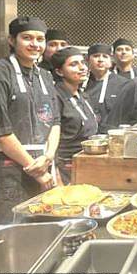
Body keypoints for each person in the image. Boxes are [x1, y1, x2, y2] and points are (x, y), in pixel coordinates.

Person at [0, 17, 60, 234]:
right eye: (27, 38)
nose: (35, 44)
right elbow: (0, 131)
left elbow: (55, 122)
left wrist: (48, 158)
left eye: (40, 39)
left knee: (36, 236)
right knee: (3, 238)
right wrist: (36, 169)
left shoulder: (45, 76)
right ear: (12, 40)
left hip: (43, 168)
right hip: (7, 172)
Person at [51, 47, 97, 185]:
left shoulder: (83, 95)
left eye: (82, 62)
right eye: (73, 64)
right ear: (59, 71)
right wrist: (56, 175)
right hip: (65, 165)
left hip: (87, 161)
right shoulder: (55, 96)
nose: (82, 67)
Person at [83, 43, 129, 133]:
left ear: (111, 61)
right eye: (96, 56)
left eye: (105, 56)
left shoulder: (123, 84)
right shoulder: (81, 83)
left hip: (113, 133)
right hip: (86, 134)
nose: (100, 60)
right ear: (87, 60)